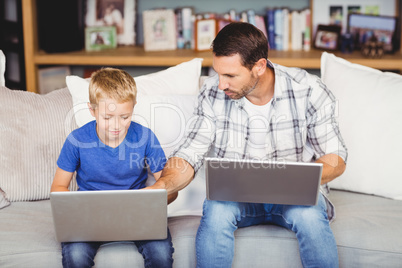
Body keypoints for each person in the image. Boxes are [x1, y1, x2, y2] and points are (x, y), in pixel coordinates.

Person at [146, 22, 348, 268]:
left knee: (309, 214)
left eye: (230, 75)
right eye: (218, 73)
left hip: (293, 196)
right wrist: (161, 187)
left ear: (259, 66)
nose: (221, 84)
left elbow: (335, 157)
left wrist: (296, 180)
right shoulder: (211, 92)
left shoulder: (308, 89)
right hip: (235, 197)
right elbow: (190, 153)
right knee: (217, 209)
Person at [51, 68, 176, 268]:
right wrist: (74, 209)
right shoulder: (77, 140)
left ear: (134, 107)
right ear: (92, 111)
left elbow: (169, 183)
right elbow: (58, 187)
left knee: (160, 254)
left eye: (124, 117)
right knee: (75, 256)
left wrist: (156, 198)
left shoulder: (145, 137)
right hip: (88, 217)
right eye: (107, 118)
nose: (116, 125)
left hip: (138, 215)